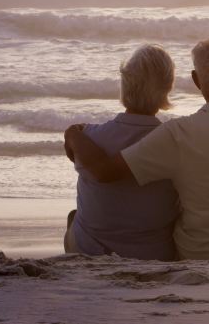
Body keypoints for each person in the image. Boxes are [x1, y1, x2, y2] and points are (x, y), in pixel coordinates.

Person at [64, 36, 209, 259]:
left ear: (196, 80)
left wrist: (73, 133)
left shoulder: (180, 133)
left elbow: (105, 172)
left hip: (204, 255)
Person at [64, 44, 179, 261]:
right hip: (154, 254)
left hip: (91, 252)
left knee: (74, 216)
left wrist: (73, 134)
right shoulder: (175, 141)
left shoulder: (88, 136)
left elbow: (74, 156)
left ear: (125, 85)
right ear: (168, 87)